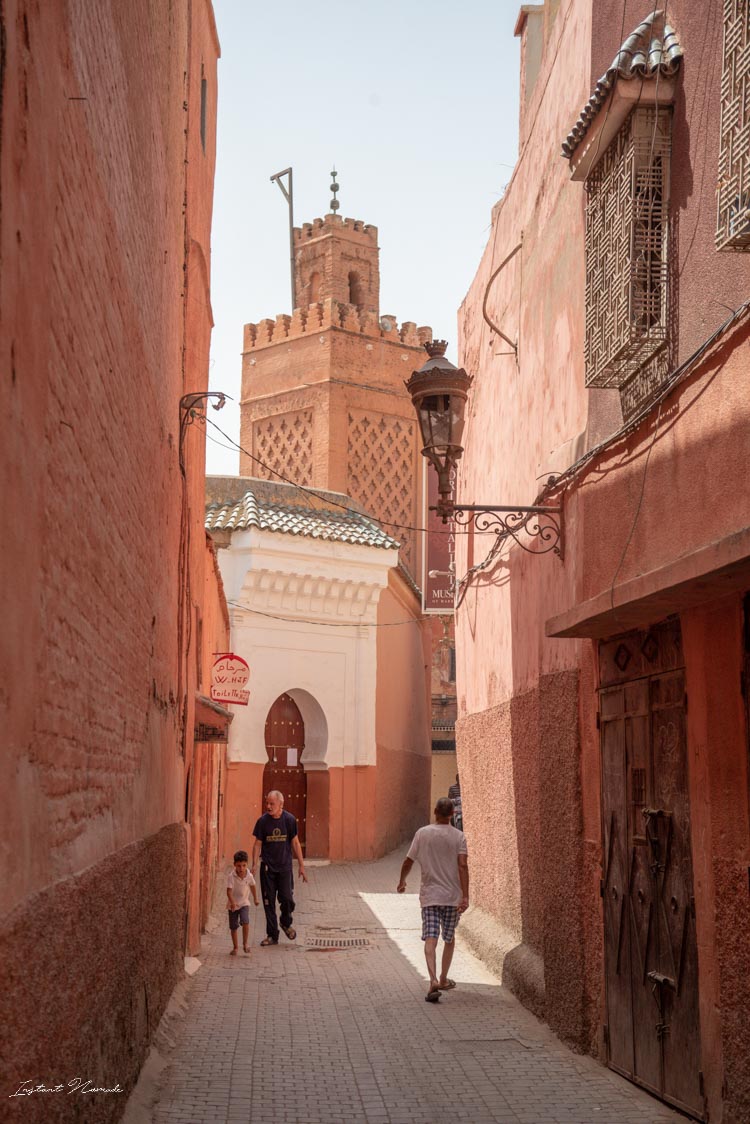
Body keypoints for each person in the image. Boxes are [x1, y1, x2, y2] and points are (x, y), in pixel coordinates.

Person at [397, 796, 469, 1002]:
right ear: (452, 814)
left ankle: (433, 980)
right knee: (449, 937)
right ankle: (444, 978)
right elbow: (463, 865)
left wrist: (402, 881)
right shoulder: (459, 837)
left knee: (430, 937)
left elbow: (408, 861)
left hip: (429, 896)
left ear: (435, 812)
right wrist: (466, 895)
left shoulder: (422, 833)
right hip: (451, 896)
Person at [252, 790, 307, 947]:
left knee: (287, 899)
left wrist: (302, 866)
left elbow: (295, 843)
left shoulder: (289, 820)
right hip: (268, 869)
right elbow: (257, 844)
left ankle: (285, 922)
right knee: (268, 903)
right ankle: (272, 935)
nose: (268, 806)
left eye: (272, 804)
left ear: (281, 804)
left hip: (284, 868)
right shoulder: (262, 821)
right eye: (267, 803)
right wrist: (255, 864)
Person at [226, 849, 259, 956]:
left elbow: (253, 886)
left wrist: (255, 898)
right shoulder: (231, 876)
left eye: (244, 865)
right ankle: (235, 947)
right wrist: (232, 902)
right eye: (239, 866)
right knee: (233, 926)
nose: (241, 868)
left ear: (246, 864)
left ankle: (245, 944)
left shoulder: (249, 875)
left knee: (245, 921)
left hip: (244, 903)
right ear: (234, 865)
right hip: (233, 905)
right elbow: (229, 892)